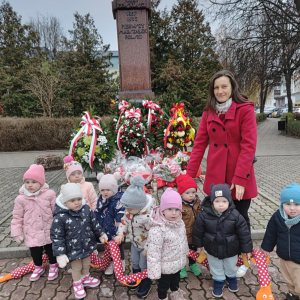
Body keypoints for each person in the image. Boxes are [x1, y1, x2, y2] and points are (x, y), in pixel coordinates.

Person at [187, 70, 257, 277]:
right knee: (216, 218)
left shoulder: (245, 110)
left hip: (239, 174)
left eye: (224, 86)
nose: (220, 91)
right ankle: (218, 256)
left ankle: (244, 258)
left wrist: (240, 178)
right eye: (216, 88)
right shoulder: (209, 112)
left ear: (232, 88)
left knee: (241, 219)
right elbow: (199, 143)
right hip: (217, 175)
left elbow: (248, 145)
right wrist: (190, 175)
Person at [193, 184, 252, 298]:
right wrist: (199, 245)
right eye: (217, 201)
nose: (220, 204)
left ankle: (231, 277)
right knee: (215, 265)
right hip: (212, 248)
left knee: (231, 265)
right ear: (211, 202)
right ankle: (219, 280)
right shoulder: (204, 215)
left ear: (229, 201)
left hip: (231, 248)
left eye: (224, 201)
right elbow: (198, 231)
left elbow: (244, 234)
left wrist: (246, 249)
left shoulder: (235, 215)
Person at [51, 183, 107, 299]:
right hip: (73, 249)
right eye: (72, 200)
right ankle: (77, 283)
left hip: (87, 245)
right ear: (65, 202)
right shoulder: (60, 217)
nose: (77, 203)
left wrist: (100, 234)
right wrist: (60, 254)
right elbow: (57, 236)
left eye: (79, 199)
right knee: (77, 268)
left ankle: (85, 277)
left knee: (86, 264)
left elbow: (94, 224)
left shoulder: (86, 209)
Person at [11, 164, 58, 282]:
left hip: (48, 229)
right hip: (32, 231)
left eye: (33, 182)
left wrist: (59, 227)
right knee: (35, 252)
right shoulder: (20, 199)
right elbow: (17, 216)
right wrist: (16, 232)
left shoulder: (50, 195)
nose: (30, 185)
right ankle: (38, 267)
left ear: (41, 183)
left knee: (51, 248)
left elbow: (56, 212)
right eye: (27, 182)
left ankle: (53, 265)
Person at [114, 175, 154, 298]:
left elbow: (152, 235)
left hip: (145, 247)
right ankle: (136, 278)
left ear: (139, 206)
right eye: (126, 208)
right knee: (135, 263)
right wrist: (121, 234)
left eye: (130, 208)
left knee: (143, 265)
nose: (127, 210)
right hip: (134, 243)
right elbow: (124, 222)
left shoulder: (148, 218)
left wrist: (148, 247)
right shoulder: (129, 211)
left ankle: (146, 282)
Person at [147, 188, 189, 300]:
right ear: (162, 210)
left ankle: (175, 292)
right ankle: (162, 297)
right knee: (163, 285)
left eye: (177, 209)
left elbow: (183, 240)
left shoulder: (180, 223)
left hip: (177, 262)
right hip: (164, 267)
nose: (174, 213)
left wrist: (185, 253)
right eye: (170, 209)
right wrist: (155, 271)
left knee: (175, 280)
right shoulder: (158, 229)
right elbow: (153, 253)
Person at [261, 183, 300, 300]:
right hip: (284, 257)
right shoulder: (278, 216)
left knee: (299, 281)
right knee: (288, 279)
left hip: (299, 260)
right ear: (282, 204)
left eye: (297, 204)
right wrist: (266, 247)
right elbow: (271, 233)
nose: (292, 208)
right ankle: (293, 295)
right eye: (288, 204)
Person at [94, 172, 125, 276]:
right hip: (105, 229)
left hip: (116, 231)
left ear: (114, 189)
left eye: (108, 189)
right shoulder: (100, 200)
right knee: (109, 248)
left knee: (119, 249)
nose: (105, 192)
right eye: (102, 190)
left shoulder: (118, 201)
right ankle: (111, 265)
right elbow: (97, 213)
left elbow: (121, 218)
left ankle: (121, 265)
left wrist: (120, 233)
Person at [175, 174, 202, 278]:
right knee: (182, 251)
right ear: (181, 194)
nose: (191, 195)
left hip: (195, 233)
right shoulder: (178, 205)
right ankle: (181, 267)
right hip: (183, 234)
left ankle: (192, 264)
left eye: (193, 192)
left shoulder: (197, 202)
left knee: (193, 250)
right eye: (187, 193)